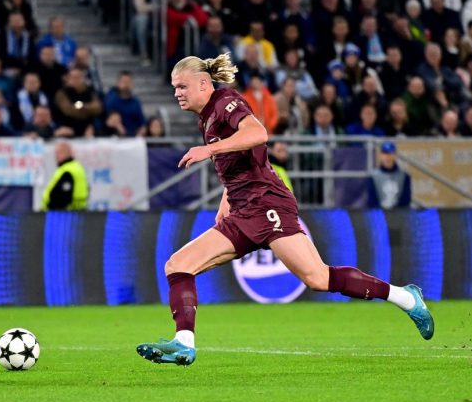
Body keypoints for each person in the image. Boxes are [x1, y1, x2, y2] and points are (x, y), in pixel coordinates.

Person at [136, 53, 434, 367]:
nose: (177, 93)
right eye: (174, 88)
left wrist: (208, 150)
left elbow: (258, 133)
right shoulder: (207, 117)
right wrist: (226, 198)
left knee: (318, 278)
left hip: (267, 205)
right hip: (243, 210)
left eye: (182, 86)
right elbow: (244, 159)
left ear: (203, 83)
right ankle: (184, 343)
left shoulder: (225, 101)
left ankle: (404, 297)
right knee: (178, 265)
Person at [367, 141, 411, 209]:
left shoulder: (404, 176)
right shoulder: (373, 177)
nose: (387, 157)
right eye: (385, 153)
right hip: (379, 216)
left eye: (390, 153)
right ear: (381, 155)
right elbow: (372, 200)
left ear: (395, 155)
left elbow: (406, 199)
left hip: (399, 216)